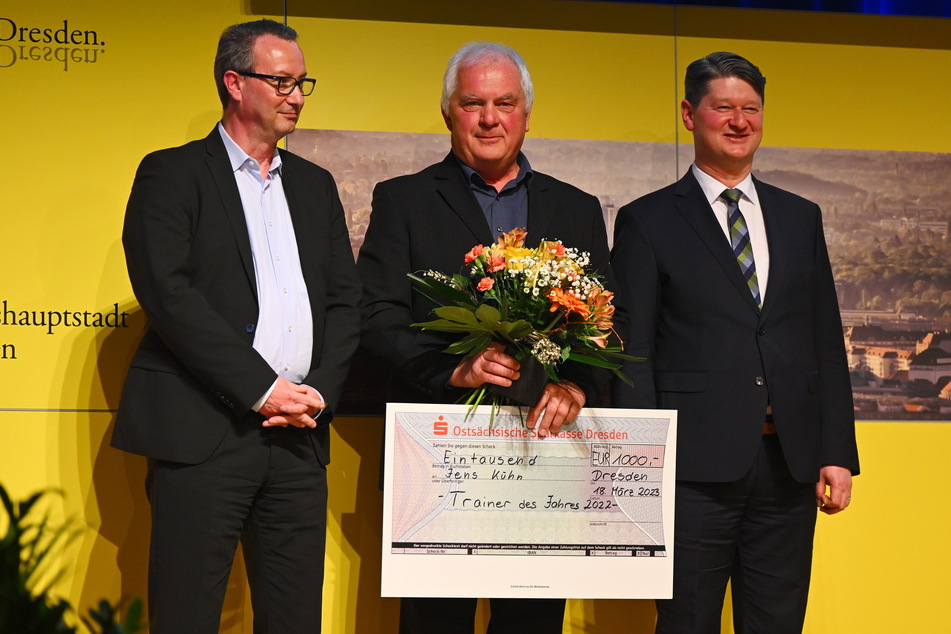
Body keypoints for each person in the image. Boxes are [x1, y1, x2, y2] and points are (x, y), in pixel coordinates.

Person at [111, 19, 361, 633]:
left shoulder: (315, 185)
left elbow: (344, 305)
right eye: (281, 81)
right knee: (188, 615)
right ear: (234, 82)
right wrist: (261, 387)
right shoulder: (172, 173)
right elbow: (168, 295)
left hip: (300, 433)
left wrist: (317, 394)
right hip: (206, 432)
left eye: (303, 83)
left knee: (294, 618)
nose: (296, 96)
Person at [358, 41, 609, 633]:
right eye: (472, 103)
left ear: (526, 113)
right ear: (449, 113)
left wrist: (575, 383)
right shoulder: (403, 200)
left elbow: (606, 321)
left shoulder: (577, 208)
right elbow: (376, 316)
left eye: (505, 102)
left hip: (543, 461)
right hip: (440, 461)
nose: (489, 118)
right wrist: (455, 368)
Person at [611, 51, 860, 633]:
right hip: (690, 468)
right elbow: (633, 348)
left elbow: (824, 336)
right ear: (689, 114)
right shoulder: (647, 220)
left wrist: (836, 450)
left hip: (789, 465)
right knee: (687, 622)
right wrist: (641, 458)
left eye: (751, 108)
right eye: (723, 107)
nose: (739, 121)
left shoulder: (801, 216)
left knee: (777, 623)